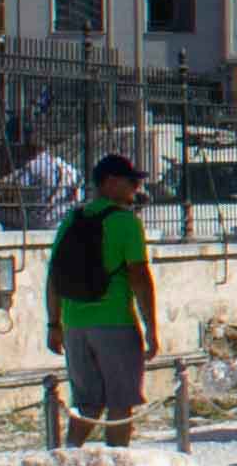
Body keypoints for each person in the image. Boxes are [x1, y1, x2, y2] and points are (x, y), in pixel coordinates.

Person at [44, 151, 160, 440]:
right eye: (131, 181)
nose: (137, 187)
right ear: (109, 182)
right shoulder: (125, 222)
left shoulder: (72, 218)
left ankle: (71, 457)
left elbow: (54, 276)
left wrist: (54, 323)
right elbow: (140, 278)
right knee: (121, 403)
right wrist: (151, 327)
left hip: (74, 325)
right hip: (115, 323)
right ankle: (117, 464)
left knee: (87, 404)